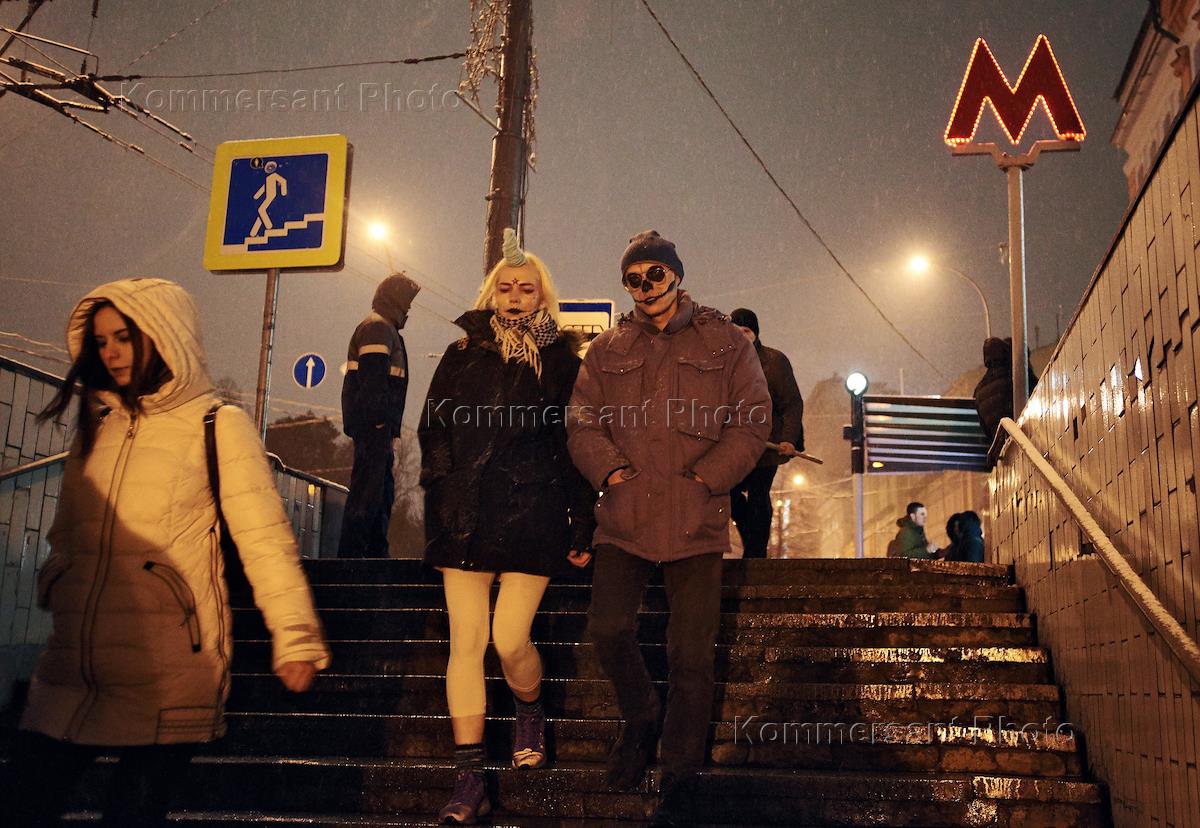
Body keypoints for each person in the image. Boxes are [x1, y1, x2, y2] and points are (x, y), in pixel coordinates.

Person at [6, 278, 330, 827]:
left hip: (170, 666)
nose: (111, 352)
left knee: (132, 814)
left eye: (124, 337)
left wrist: (294, 636)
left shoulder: (216, 424)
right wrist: (59, 579)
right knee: (22, 803)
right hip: (72, 664)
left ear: (164, 336)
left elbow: (265, 539)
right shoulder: (97, 428)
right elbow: (67, 530)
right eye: (101, 341)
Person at [567, 230, 770, 822]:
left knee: (691, 654)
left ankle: (681, 768)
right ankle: (641, 718)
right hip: (625, 517)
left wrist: (709, 478)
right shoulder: (607, 348)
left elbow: (752, 419)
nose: (646, 286)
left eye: (655, 273)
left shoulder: (725, 341)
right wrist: (610, 472)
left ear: (677, 275)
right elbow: (582, 421)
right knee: (608, 629)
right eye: (633, 278)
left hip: (695, 517)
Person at [419, 229, 596, 824]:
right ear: (491, 293)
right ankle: (469, 779)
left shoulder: (562, 362)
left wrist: (582, 522)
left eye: (527, 289)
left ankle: (530, 709)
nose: (515, 297)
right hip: (466, 515)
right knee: (465, 645)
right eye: (506, 287)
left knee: (509, 640)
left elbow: (574, 443)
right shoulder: (461, 353)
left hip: (533, 512)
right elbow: (434, 428)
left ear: (543, 297)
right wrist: (442, 489)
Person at [338, 272, 420, 558]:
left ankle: (373, 555)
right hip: (374, 425)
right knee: (369, 491)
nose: (408, 309)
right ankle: (355, 558)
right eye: (407, 302)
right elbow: (373, 378)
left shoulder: (382, 328)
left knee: (380, 490)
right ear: (395, 301)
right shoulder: (378, 328)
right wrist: (379, 420)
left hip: (377, 426)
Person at [727, 308, 804, 558]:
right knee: (727, 492)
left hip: (767, 444)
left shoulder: (775, 361)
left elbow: (792, 403)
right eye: (736, 331)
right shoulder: (722, 362)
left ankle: (756, 554)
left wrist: (788, 438)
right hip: (736, 445)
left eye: (746, 331)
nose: (741, 336)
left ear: (755, 333)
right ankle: (753, 544)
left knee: (759, 493)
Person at [974, 336, 1037, 443]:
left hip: (1000, 444)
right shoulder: (1014, 376)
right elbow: (1036, 395)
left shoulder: (980, 389)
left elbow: (985, 428)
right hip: (1023, 437)